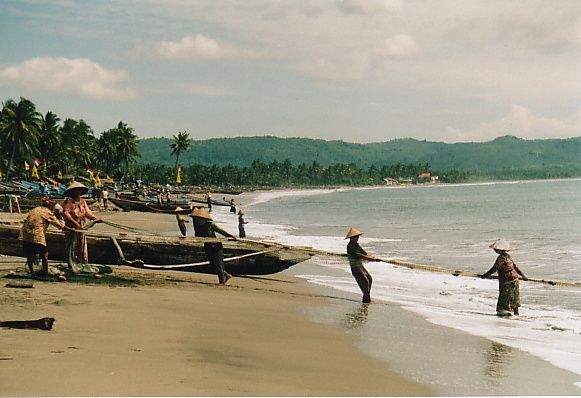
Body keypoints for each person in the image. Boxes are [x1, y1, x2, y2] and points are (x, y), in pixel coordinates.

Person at [19, 198, 76, 276]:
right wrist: (70, 228)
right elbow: (60, 225)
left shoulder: (35, 209)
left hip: (26, 233)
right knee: (44, 254)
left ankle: (31, 271)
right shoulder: (47, 212)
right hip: (37, 234)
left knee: (30, 254)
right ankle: (45, 272)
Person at [481, 239, 528, 316]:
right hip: (515, 279)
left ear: (499, 250)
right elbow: (515, 267)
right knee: (514, 297)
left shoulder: (501, 257)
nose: (495, 250)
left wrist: (485, 275)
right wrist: (523, 275)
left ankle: (505, 315)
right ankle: (516, 314)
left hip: (507, 280)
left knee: (504, 297)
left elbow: (495, 268)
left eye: (496, 249)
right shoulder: (508, 256)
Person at [191, 207, 236, 284]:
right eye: (197, 219)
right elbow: (197, 236)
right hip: (207, 245)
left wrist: (230, 236)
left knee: (218, 263)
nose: (198, 220)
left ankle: (222, 281)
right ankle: (226, 275)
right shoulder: (198, 227)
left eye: (199, 219)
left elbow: (221, 231)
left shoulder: (210, 225)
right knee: (212, 263)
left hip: (216, 246)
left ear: (204, 219)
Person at [62, 181, 102, 268]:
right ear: (72, 191)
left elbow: (88, 213)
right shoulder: (68, 201)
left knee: (81, 243)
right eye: (76, 190)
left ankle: (81, 262)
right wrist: (75, 223)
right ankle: (71, 263)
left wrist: (95, 219)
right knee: (72, 245)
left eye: (79, 190)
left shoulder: (83, 202)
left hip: (81, 226)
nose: (78, 192)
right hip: (71, 227)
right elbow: (66, 213)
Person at [345, 227, 380, 303]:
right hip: (355, 267)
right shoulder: (350, 246)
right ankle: (366, 299)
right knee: (365, 282)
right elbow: (358, 255)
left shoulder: (356, 245)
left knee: (370, 279)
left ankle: (366, 298)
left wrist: (371, 257)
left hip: (360, 265)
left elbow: (363, 253)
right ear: (352, 238)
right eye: (356, 237)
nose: (357, 238)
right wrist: (368, 258)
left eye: (358, 236)